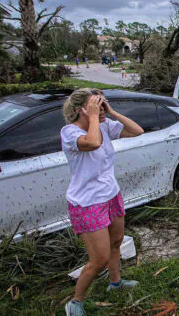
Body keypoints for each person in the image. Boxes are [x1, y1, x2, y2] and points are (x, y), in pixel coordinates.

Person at [61, 88, 144, 316]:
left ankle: (115, 282)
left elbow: (137, 130)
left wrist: (111, 112)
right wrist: (93, 117)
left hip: (110, 195)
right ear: (81, 110)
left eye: (102, 104)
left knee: (116, 242)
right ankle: (75, 302)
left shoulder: (104, 125)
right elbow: (93, 142)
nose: (101, 108)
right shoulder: (69, 132)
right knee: (99, 259)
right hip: (87, 202)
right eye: (96, 105)